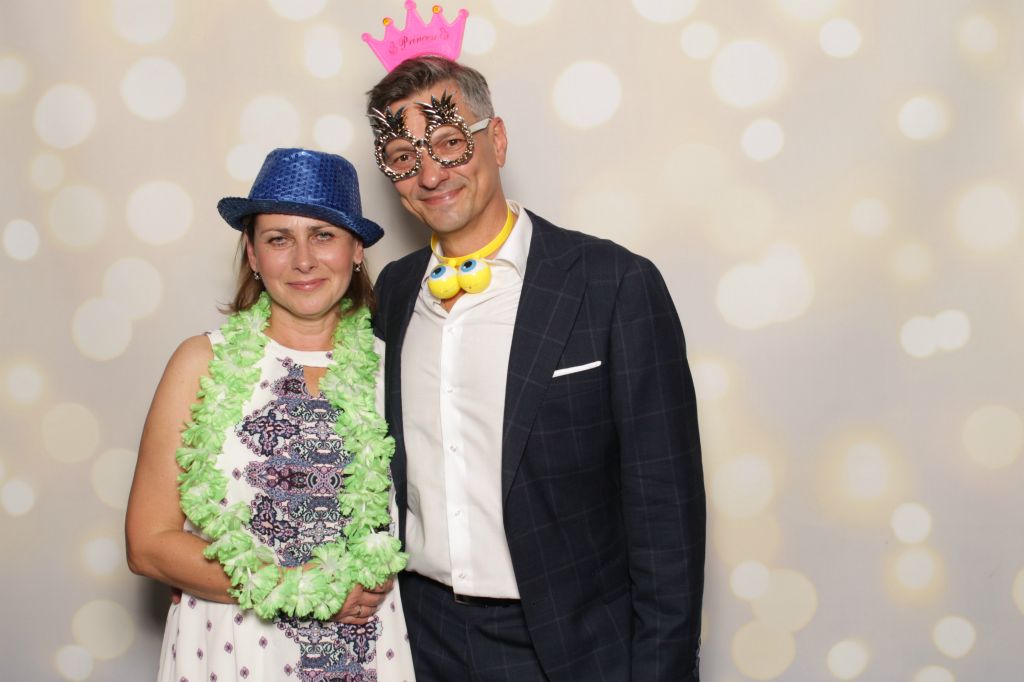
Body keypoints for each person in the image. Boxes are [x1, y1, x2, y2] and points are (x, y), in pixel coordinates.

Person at [366, 56, 705, 681]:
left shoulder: (612, 284)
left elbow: (667, 509)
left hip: (570, 644)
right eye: (404, 157)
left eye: (449, 142)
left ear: (495, 140)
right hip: (420, 637)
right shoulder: (392, 291)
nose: (430, 174)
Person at [125, 148, 416, 682]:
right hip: (230, 650)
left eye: (323, 235)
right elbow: (148, 544)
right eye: (279, 239)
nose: (303, 260)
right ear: (253, 255)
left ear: (356, 249)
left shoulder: (395, 368)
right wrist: (303, 587)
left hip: (367, 651)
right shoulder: (201, 363)